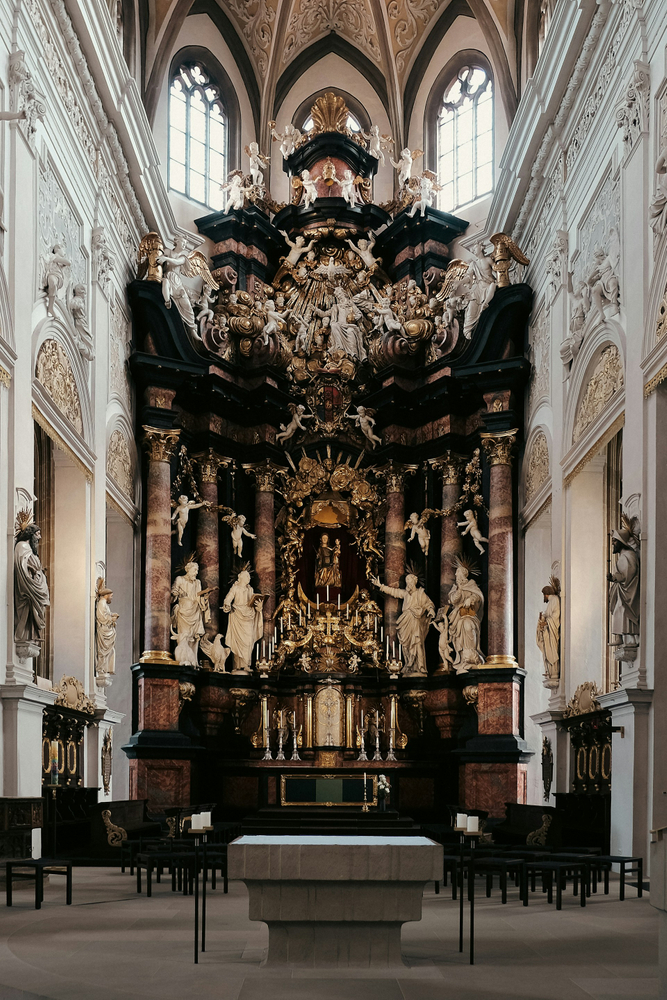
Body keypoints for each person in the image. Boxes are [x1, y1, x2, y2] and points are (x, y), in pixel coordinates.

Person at [371, 573, 435, 675]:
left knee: (417, 642)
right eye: (407, 581)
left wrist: (431, 610)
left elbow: (429, 604)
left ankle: (420, 666)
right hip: (405, 621)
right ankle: (409, 665)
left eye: (409, 581)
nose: (408, 583)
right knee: (406, 645)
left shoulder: (420, 593)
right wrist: (380, 586)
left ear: (414, 582)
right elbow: (394, 592)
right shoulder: (405, 593)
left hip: (415, 620)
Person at [14, 519, 50, 649]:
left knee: (36, 609)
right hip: (28, 587)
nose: (40, 537)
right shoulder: (22, 546)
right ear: (30, 534)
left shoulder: (31, 550)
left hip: (35, 585)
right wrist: (32, 575)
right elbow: (21, 567)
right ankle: (24, 636)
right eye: (37, 534)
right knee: (28, 608)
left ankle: (33, 636)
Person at [222, 569, 264, 672]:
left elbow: (253, 603)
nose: (249, 578)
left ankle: (246, 665)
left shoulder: (250, 589)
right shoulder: (235, 588)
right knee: (237, 642)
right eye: (246, 576)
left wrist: (259, 607)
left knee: (249, 640)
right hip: (237, 615)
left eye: (249, 577)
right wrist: (227, 605)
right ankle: (237, 666)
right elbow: (228, 598)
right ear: (240, 578)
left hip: (249, 616)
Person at [171, 560, 210, 666]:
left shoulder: (198, 582)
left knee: (194, 638)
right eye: (195, 570)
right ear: (188, 570)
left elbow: (198, 597)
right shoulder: (180, 579)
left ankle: (193, 661)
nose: (196, 572)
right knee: (184, 636)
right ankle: (183, 659)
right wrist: (175, 592)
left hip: (195, 611)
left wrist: (205, 598)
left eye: (197, 570)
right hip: (184, 612)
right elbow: (174, 590)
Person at [447, 563, 485, 671]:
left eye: (457, 572)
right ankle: (463, 658)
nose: (455, 574)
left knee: (468, 625)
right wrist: (459, 589)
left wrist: (471, 599)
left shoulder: (471, 584)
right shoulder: (455, 587)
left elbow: (478, 596)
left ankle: (471, 654)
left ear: (463, 574)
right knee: (459, 632)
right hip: (457, 616)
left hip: (469, 614)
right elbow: (453, 600)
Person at [608, 527, 640, 643]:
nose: (613, 544)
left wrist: (615, 577)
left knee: (621, 611)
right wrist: (614, 578)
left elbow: (629, 573)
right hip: (621, 589)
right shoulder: (623, 556)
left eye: (614, 541)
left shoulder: (629, 555)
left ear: (621, 541)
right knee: (618, 611)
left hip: (627, 589)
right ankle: (620, 637)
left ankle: (627, 637)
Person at [537, 584, 560, 684]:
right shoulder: (552, 601)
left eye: (544, 595)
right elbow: (548, 613)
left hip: (552, 631)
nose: (544, 597)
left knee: (551, 649)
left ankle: (553, 671)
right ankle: (549, 671)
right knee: (546, 649)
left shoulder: (554, 599)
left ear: (546, 594)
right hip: (549, 630)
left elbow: (555, 615)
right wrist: (542, 617)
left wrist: (546, 622)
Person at [95, 581, 119, 677]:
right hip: (104, 631)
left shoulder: (104, 604)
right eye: (111, 596)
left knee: (110, 651)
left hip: (107, 630)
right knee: (104, 652)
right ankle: (101, 669)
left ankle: (107, 669)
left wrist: (112, 615)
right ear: (106, 595)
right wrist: (111, 619)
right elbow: (101, 617)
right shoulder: (102, 603)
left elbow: (105, 615)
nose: (111, 598)